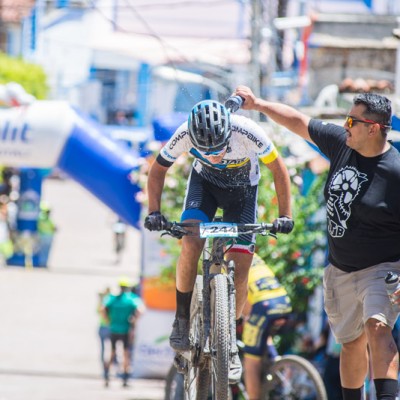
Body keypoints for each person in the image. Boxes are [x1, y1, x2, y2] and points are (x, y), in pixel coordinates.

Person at [234, 85, 400, 400]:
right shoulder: (342, 144)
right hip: (339, 270)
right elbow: (298, 121)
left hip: (383, 268)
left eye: (353, 122)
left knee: (378, 329)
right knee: (350, 343)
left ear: (374, 129)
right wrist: (257, 104)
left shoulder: (395, 173)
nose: (345, 126)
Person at [144, 99, 294, 383]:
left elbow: (279, 169)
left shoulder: (247, 130)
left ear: (228, 132)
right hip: (205, 189)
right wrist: (154, 211)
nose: (213, 155)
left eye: (219, 148)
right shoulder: (185, 134)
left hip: (242, 194)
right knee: (190, 243)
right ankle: (182, 319)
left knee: (242, 262)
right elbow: (158, 169)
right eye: (206, 150)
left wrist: (285, 215)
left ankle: (229, 343)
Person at [241, 253, 292, 400]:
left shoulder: (227, 259)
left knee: (251, 360)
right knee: (262, 334)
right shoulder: (252, 254)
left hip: (263, 305)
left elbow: (242, 298)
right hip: (283, 301)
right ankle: (278, 367)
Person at [102, 276, 144, 388]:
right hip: (126, 329)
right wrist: (134, 320)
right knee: (126, 354)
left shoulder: (112, 298)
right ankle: (125, 379)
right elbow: (141, 310)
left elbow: (103, 309)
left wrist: (108, 320)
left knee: (111, 353)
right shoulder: (131, 299)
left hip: (114, 328)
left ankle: (107, 376)